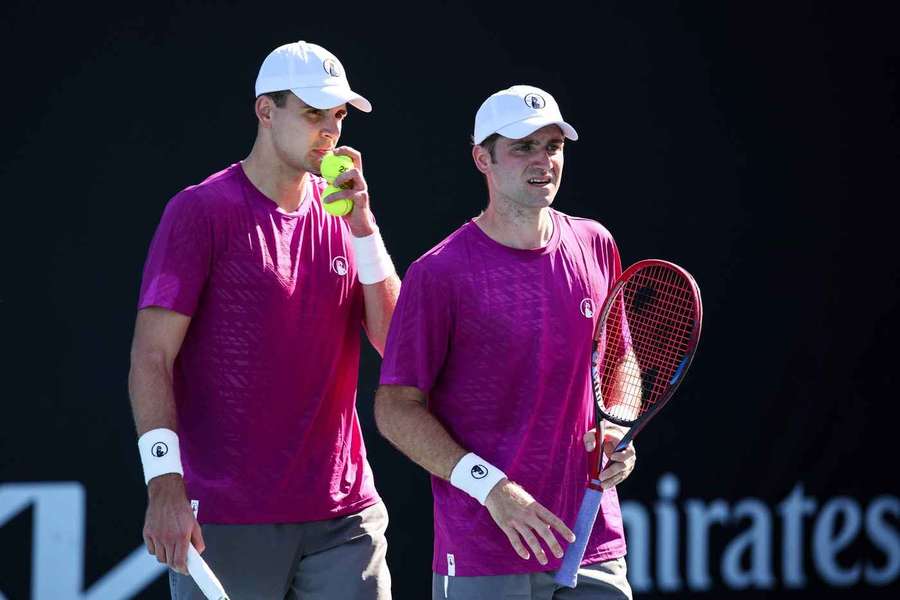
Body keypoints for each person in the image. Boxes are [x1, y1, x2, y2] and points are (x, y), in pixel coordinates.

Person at [128, 40, 398, 599]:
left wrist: (366, 229)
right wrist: (163, 484)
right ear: (265, 110)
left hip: (346, 516)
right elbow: (151, 357)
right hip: (228, 519)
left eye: (338, 115)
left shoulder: (344, 213)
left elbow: (394, 343)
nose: (330, 130)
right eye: (312, 113)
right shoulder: (199, 211)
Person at [374, 85, 636, 599]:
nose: (544, 161)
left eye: (553, 146)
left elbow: (621, 361)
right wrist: (490, 488)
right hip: (484, 554)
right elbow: (395, 409)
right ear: (482, 158)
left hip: (592, 541)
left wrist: (617, 425)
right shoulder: (439, 272)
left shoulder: (595, 244)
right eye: (523, 147)